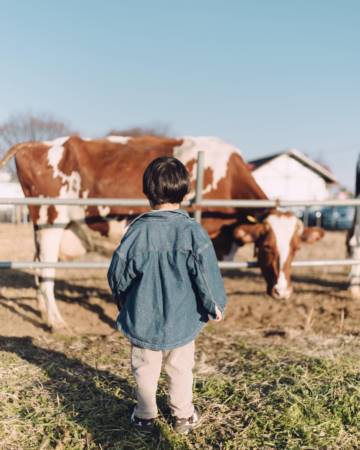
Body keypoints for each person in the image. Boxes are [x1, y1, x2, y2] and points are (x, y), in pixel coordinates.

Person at [107, 156, 227, 434]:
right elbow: (206, 275)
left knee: (145, 368)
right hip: (183, 318)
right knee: (181, 367)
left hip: (143, 315)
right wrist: (215, 304)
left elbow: (118, 273)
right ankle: (183, 415)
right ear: (184, 191)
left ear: (147, 191)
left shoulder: (136, 232)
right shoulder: (192, 232)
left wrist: (121, 295)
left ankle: (145, 415)